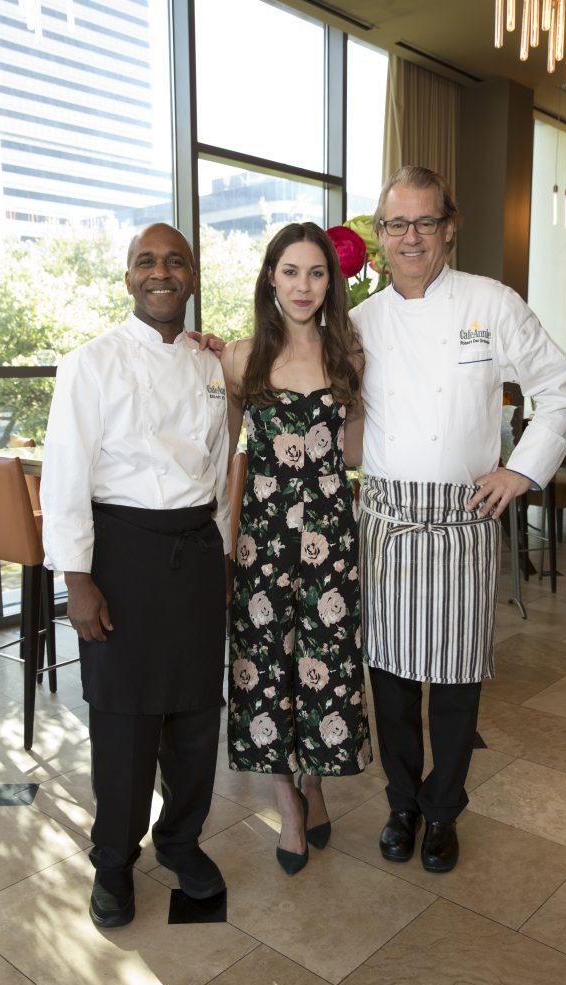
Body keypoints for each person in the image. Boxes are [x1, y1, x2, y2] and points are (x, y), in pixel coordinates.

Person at [347, 166, 566, 874]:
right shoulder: (359, 321)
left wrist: (520, 470)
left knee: (452, 681)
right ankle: (399, 804)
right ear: (380, 236)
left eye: (423, 223)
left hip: (460, 518)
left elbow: (559, 387)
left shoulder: (490, 302)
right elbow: (292, 371)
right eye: (396, 224)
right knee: (387, 681)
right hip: (387, 515)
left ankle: (442, 809)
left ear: (448, 228)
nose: (409, 237)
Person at [41, 223, 231, 928]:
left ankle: (181, 841)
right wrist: (78, 578)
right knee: (123, 719)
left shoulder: (211, 364)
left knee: (193, 713)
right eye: (146, 262)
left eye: (174, 261)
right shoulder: (88, 363)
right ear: (127, 279)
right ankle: (114, 861)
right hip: (120, 552)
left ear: (190, 277)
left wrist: (221, 551)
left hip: (194, 549)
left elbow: (215, 467)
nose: (161, 272)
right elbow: (64, 476)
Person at [220, 222, 371, 875]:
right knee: (265, 671)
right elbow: (228, 457)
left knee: (326, 667)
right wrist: (227, 545)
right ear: (270, 278)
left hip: (331, 536)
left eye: (315, 273)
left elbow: (357, 451)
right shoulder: (237, 356)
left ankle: (314, 780)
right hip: (261, 539)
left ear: (329, 283)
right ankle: (287, 802)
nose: (303, 286)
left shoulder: (350, 357)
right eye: (290, 272)